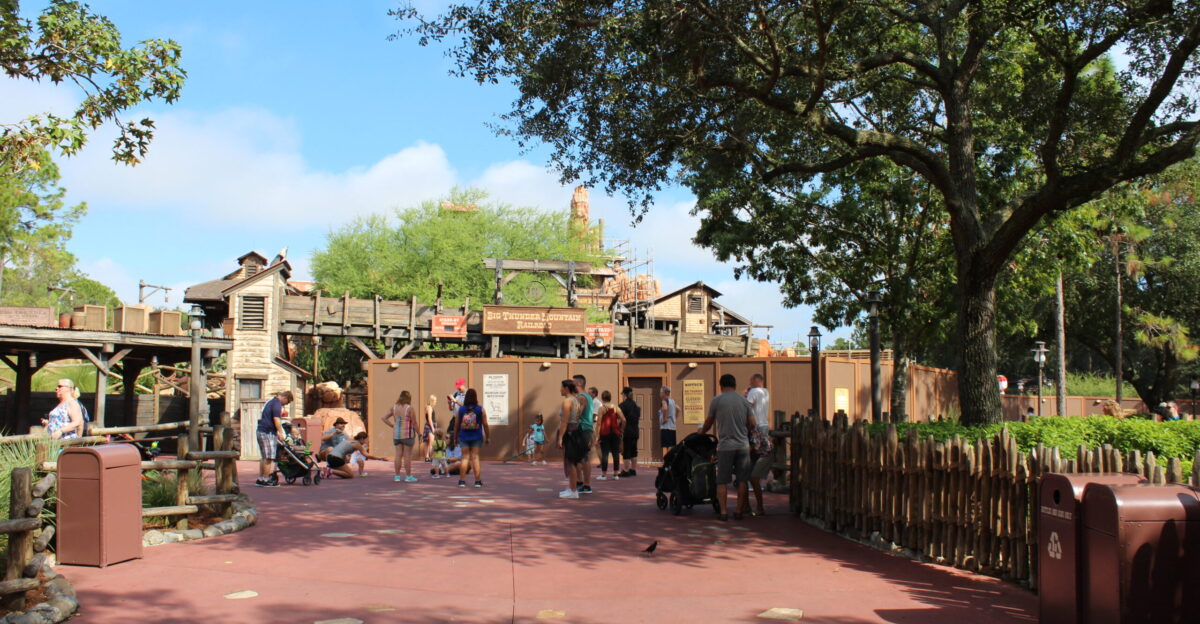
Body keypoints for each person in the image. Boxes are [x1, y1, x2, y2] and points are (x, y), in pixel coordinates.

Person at [700, 374, 756, 521]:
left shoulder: (716, 401)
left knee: (722, 480)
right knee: (742, 479)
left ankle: (724, 512)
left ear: (721, 385)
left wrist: (702, 432)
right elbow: (752, 423)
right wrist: (744, 430)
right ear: (735, 385)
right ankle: (738, 510)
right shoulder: (744, 401)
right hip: (743, 445)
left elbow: (709, 421)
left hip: (725, 446)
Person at [453, 388, 490, 487]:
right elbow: (485, 424)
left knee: (464, 458)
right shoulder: (480, 409)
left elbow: (456, 424)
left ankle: (462, 481)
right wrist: (488, 436)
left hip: (463, 436)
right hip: (476, 436)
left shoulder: (461, 409)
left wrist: (455, 437)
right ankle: (477, 481)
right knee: (475, 458)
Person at [256, 391, 293, 487]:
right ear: (285, 398)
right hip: (267, 432)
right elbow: (276, 419)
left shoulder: (270, 402)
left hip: (261, 430)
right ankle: (265, 479)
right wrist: (281, 432)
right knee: (269, 457)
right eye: (287, 402)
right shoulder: (277, 404)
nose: (285, 404)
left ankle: (261, 478)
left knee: (264, 456)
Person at [556, 379, 586, 499]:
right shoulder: (576, 399)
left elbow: (565, 421)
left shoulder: (568, 401)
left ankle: (573, 490)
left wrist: (560, 437)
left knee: (570, 462)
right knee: (571, 461)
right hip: (576, 431)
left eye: (561, 387)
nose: (560, 389)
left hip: (570, 432)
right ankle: (572, 487)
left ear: (566, 388)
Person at [746, 374, 771, 516]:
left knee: (748, 462)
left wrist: (746, 394)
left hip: (755, 427)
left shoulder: (753, 392)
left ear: (755, 380)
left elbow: (747, 406)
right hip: (764, 426)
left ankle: (750, 504)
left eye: (751, 380)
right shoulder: (765, 392)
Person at [383, 390, 419, 482]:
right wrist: (419, 433)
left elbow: (384, 418)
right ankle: (408, 476)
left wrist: (392, 425)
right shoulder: (409, 408)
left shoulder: (394, 408)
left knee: (398, 455)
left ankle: (397, 476)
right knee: (407, 456)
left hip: (396, 435)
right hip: (407, 434)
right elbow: (414, 422)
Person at [596, 390, 625, 480]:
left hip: (605, 432)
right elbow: (623, 419)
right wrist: (621, 429)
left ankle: (604, 474)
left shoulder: (602, 408)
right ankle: (616, 474)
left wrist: (597, 435)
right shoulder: (616, 407)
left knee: (605, 453)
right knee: (616, 453)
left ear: (602, 398)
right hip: (615, 432)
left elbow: (599, 423)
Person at [572, 375, 595, 493]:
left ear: (579, 384)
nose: (572, 385)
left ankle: (586, 485)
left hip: (583, 429)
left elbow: (577, 414)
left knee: (584, 457)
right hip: (586, 429)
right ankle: (580, 483)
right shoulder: (588, 396)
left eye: (573, 383)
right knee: (579, 457)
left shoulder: (581, 397)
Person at [617, 386, 640, 477]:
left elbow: (620, 419)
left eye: (622, 394)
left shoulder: (622, 405)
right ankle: (633, 470)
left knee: (626, 451)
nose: (622, 396)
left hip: (627, 431)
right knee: (634, 450)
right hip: (635, 430)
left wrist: (621, 429)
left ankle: (626, 470)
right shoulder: (637, 405)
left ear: (625, 395)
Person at [660, 385, 678, 456]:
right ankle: (670, 461)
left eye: (661, 392)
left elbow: (664, 408)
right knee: (671, 445)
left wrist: (664, 419)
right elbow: (678, 409)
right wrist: (675, 417)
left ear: (664, 393)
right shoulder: (672, 401)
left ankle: (667, 461)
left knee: (666, 446)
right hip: (672, 426)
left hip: (666, 426)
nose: (660, 394)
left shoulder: (664, 400)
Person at [423, 394, 438, 462]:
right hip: (430, 425)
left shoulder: (427, 407)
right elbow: (429, 418)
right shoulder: (429, 407)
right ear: (432, 401)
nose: (436, 402)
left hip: (428, 425)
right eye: (435, 400)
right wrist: (433, 428)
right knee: (431, 442)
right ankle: (431, 457)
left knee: (427, 442)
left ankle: (427, 457)